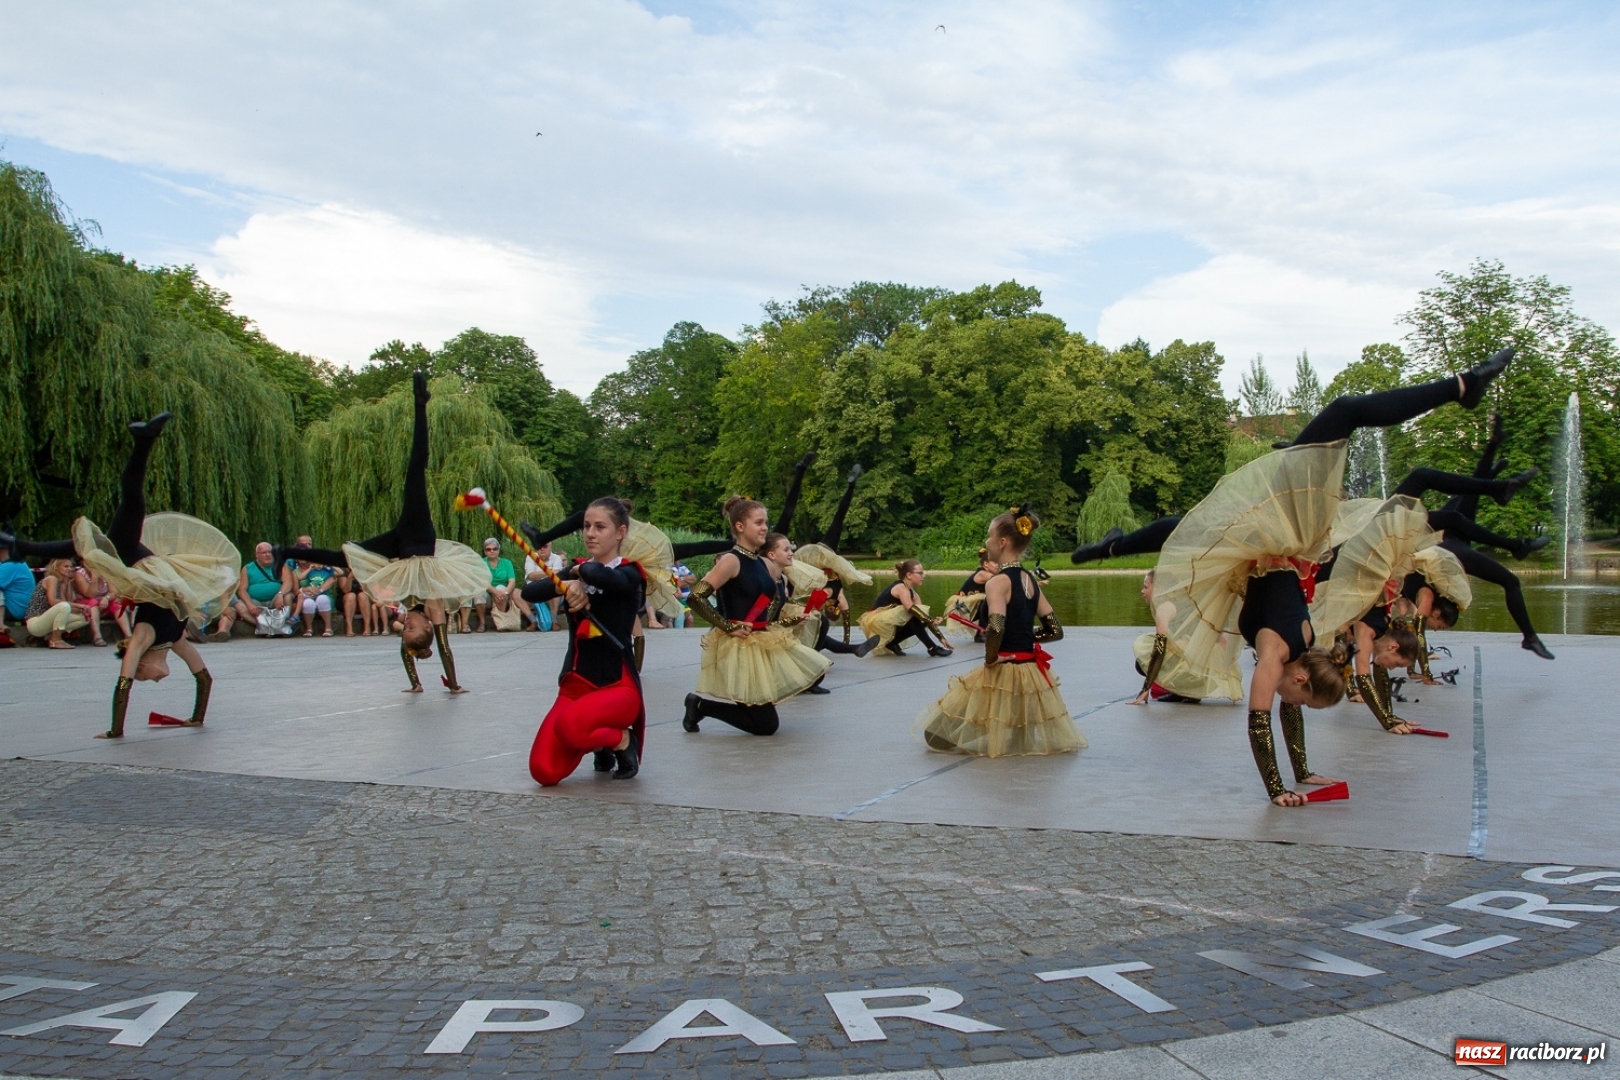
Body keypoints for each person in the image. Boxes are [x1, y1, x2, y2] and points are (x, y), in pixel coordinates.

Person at [1069, 347, 1516, 803]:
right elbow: (1259, 722)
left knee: (1196, 529)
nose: (1294, 706)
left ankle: (1110, 546)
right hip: (1291, 538)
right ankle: (1462, 389)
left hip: (1283, 549)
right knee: (1346, 412)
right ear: (1301, 679)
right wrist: (1277, 790)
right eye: (1301, 699)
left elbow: (1285, 711)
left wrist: (1302, 772)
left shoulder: (1301, 650)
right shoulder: (1279, 654)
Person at [1, 413, 240, 738]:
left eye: (143, 677)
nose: (153, 680)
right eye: (145, 678)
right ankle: (144, 441)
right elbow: (204, 678)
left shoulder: (144, 635)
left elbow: (124, 682)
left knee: (106, 530)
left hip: (136, 566)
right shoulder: (176, 639)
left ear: (140, 662)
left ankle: (144, 441)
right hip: (145, 567)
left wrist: (116, 730)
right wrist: (195, 718)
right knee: (103, 531)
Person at [276, 373, 487, 693]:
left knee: (344, 558)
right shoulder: (434, 608)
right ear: (428, 626)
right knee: (415, 471)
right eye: (411, 628)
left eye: (405, 630)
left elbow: (407, 649)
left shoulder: (412, 626)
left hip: (399, 547)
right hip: (418, 536)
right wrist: (454, 685)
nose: (406, 625)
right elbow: (444, 649)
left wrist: (416, 684)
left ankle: (285, 551)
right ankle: (421, 404)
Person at [917, 507, 1083, 757]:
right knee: (1010, 725)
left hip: (1004, 666)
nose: (986, 542)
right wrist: (1024, 640)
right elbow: (1055, 630)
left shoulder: (997, 582)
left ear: (1002, 542)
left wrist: (991, 658)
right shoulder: (1030, 580)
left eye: (989, 535)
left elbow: (996, 627)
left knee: (935, 735)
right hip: (1031, 671)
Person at [680, 496, 832, 736]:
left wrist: (790, 621)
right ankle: (699, 705)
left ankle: (699, 707)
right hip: (739, 648)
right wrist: (728, 626)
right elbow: (696, 596)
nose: (765, 528)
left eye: (765, 523)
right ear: (740, 526)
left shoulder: (762, 563)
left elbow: (769, 609)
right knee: (765, 725)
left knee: (765, 721)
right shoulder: (731, 560)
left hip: (760, 642)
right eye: (759, 522)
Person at [520, 498, 647, 784]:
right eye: (586, 526)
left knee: (570, 727)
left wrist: (576, 575)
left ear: (620, 532)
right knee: (543, 771)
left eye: (600, 527)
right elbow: (530, 593)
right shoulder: (578, 569)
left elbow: (600, 576)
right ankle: (599, 744)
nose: (590, 533)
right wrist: (565, 583)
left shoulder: (630, 573)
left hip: (618, 687)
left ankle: (622, 740)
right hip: (576, 687)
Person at [859, 560, 953, 657]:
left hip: (888, 622)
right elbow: (910, 608)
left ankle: (893, 643)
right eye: (920, 573)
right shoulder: (901, 587)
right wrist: (931, 620)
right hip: (876, 622)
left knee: (921, 618)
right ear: (909, 575)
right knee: (913, 615)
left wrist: (941, 637)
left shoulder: (914, 594)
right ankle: (932, 648)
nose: (923, 575)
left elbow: (923, 616)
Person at [231, 543, 296, 636]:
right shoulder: (247, 568)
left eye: (270, 552)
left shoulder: (281, 566)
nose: (268, 555)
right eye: (264, 552)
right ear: (257, 555)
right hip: (255, 602)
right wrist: (249, 604)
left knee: (288, 596)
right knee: (239, 605)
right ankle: (264, 627)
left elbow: (288, 582)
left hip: (275, 600)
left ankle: (281, 625)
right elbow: (242, 590)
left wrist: (280, 594)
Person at [24, 559, 88, 648]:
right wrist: (79, 605)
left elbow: (68, 602)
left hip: (48, 620)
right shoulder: (51, 579)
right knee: (64, 606)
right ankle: (56, 640)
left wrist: (68, 582)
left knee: (86, 617)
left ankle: (51, 636)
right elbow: (53, 601)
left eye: (71, 567)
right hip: (36, 622)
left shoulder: (61, 582)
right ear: (56, 568)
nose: (69, 569)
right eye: (66, 566)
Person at [478, 538, 527, 631]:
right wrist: (496, 592)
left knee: (500, 588)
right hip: (487, 593)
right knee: (478, 594)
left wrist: (505, 592)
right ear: (485, 551)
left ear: (498, 550)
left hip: (504, 593)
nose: (492, 551)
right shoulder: (481, 563)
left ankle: (502, 621)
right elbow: (483, 582)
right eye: (488, 549)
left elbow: (512, 581)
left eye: (494, 549)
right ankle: (482, 623)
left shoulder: (506, 563)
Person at [524, 541, 567, 630]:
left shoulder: (557, 558)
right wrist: (550, 571)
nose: (542, 549)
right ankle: (533, 621)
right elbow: (531, 576)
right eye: (539, 547)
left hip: (549, 591)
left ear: (550, 547)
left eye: (545, 546)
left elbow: (556, 575)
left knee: (554, 587)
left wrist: (539, 574)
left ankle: (554, 621)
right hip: (534, 591)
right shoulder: (531, 556)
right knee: (516, 593)